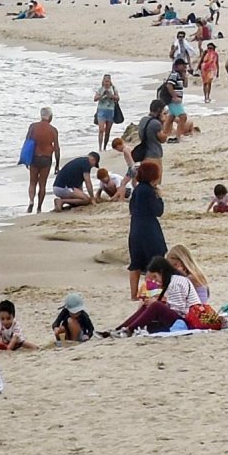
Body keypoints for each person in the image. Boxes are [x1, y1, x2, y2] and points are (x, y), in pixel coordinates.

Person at [126, 161, 167, 300]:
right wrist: (159, 197)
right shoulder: (149, 191)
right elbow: (158, 211)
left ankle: (133, 295)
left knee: (135, 263)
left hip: (135, 227)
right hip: (149, 228)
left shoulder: (137, 189)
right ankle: (154, 291)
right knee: (156, 259)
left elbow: (131, 208)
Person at [24, 107, 59, 213]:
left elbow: (27, 142)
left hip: (34, 157)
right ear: (50, 117)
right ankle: (39, 208)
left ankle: (31, 201)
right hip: (46, 158)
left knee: (32, 182)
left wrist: (26, 158)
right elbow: (57, 148)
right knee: (42, 184)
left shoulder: (33, 127)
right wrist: (57, 164)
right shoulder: (53, 130)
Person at [94, 75, 121, 151]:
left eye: (108, 81)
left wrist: (111, 96)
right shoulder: (100, 89)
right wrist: (102, 95)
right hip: (101, 110)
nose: (106, 83)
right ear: (103, 81)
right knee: (101, 129)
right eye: (105, 81)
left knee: (108, 131)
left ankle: (105, 147)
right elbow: (95, 99)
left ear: (110, 81)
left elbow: (118, 98)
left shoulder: (113, 89)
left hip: (111, 110)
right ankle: (100, 148)